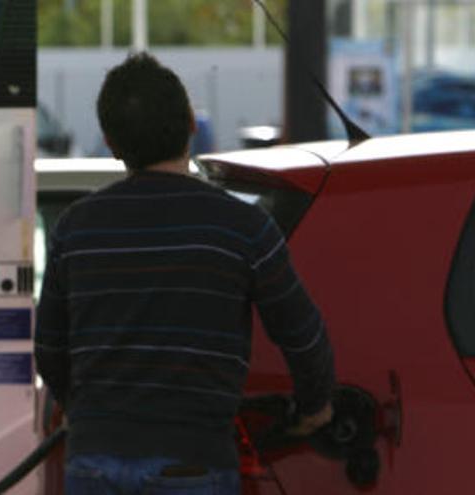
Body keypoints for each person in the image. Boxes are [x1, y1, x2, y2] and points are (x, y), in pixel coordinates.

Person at [34, 53, 336, 494]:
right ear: (192, 123)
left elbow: (49, 351)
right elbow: (302, 335)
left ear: (111, 143)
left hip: (94, 463)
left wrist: (93, 417)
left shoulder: (75, 228)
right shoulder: (243, 228)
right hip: (193, 464)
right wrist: (315, 407)